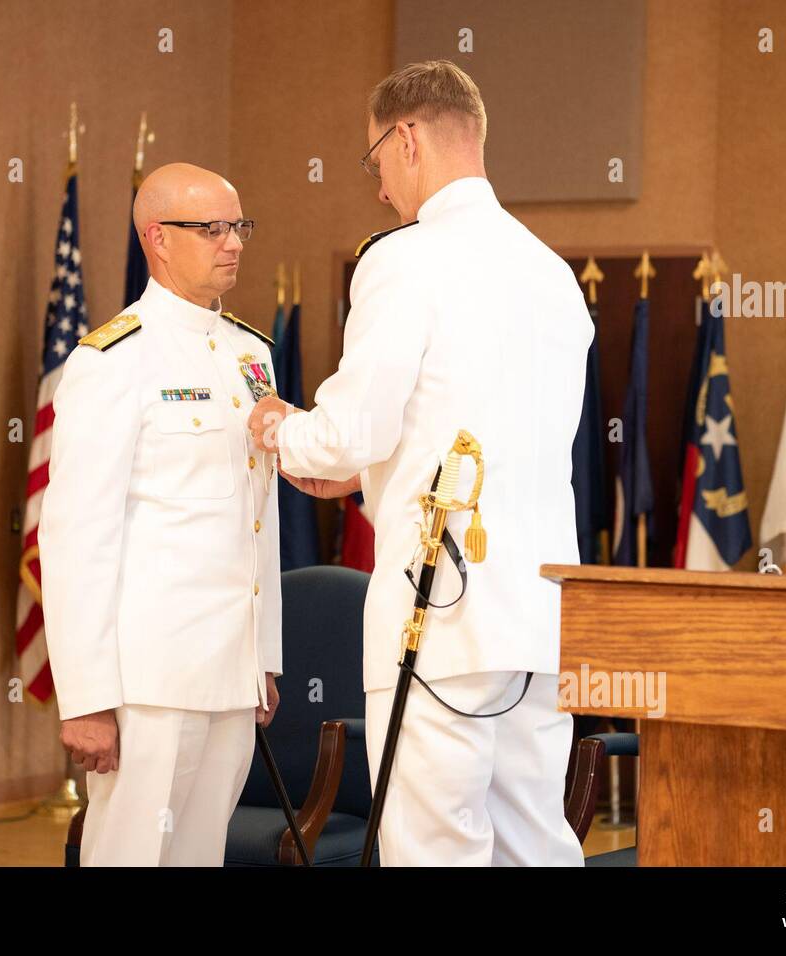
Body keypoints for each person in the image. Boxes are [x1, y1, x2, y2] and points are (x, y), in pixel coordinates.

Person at [249, 61, 591, 866]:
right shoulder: (552, 273)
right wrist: (368, 472)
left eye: (374, 162)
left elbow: (347, 429)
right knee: (535, 846)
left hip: (439, 614)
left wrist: (276, 428)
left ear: (406, 139)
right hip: (541, 619)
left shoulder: (407, 258)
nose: (377, 190)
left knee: (430, 849)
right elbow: (473, 435)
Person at [39, 163, 281, 866]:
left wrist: (262, 656)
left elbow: (256, 521)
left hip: (230, 673)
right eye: (211, 228)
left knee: (201, 855)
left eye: (238, 226)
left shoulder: (251, 353)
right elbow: (76, 536)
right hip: (148, 681)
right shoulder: (114, 358)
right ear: (157, 239)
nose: (232, 242)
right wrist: (83, 697)